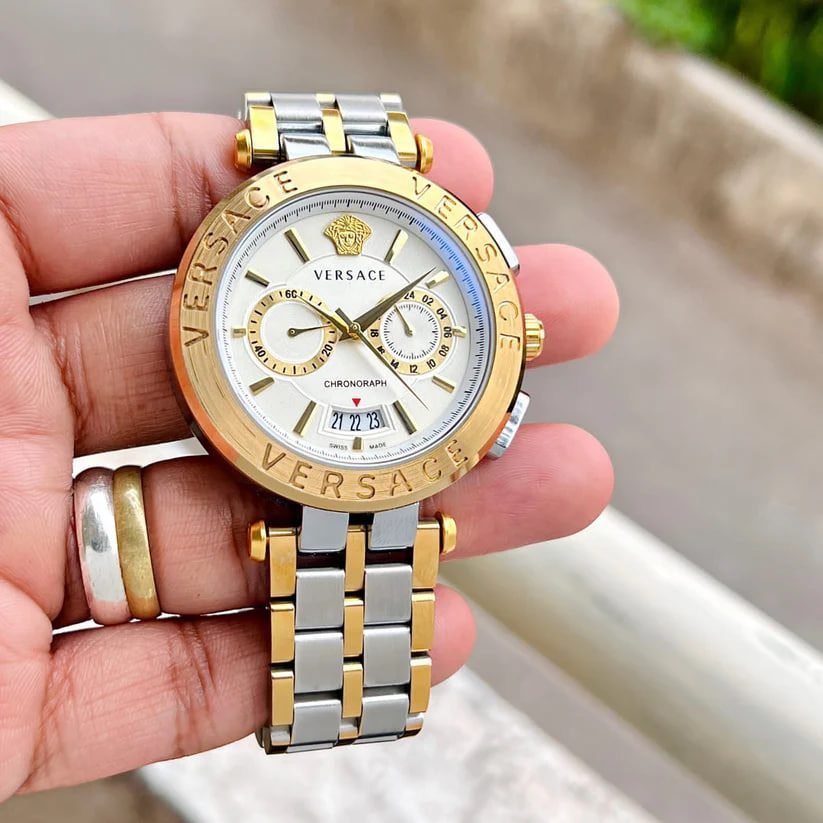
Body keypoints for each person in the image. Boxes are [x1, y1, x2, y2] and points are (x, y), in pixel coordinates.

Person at [0, 112, 618, 797]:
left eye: (365, 327)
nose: (353, 334)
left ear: (515, 336)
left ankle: (352, 703)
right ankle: (340, 702)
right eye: (339, 327)